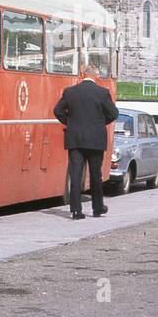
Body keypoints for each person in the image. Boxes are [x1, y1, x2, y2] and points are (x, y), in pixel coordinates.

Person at [54, 62, 119, 220]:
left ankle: (76, 210)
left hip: (75, 138)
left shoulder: (70, 92)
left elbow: (57, 110)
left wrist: (70, 123)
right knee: (95, 174)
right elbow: (114, 113)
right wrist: (99, 123)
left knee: (75, 173)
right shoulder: (102, 93)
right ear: (96, 75)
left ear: (82, 75)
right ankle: (98, 208)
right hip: (96, 139)